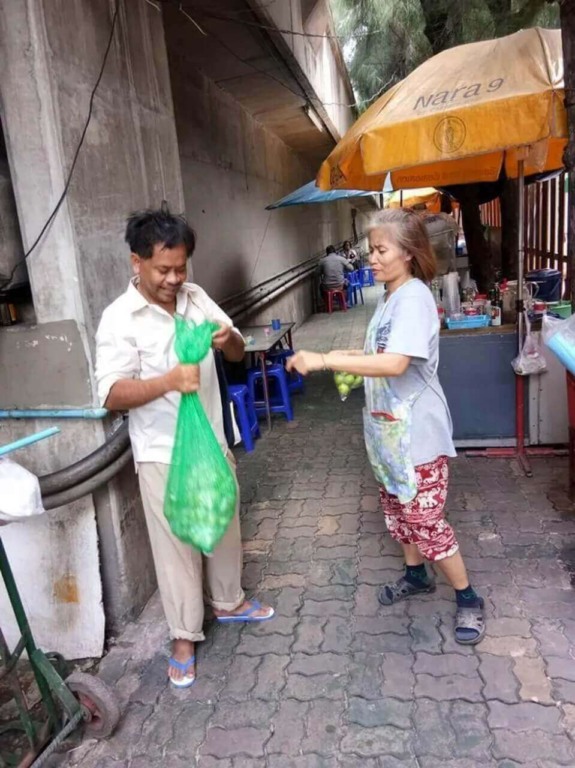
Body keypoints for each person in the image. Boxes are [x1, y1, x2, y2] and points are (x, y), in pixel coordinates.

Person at [287, 208, 485, 645]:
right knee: (399, 513)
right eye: (370, 249)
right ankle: (416, 576)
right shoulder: (390, 298)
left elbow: (395, 363)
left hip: (415, 436)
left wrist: (324, 359)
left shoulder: (413, 298)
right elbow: (379, 354)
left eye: (380, 250)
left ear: (409, 253)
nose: (371, 258)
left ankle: (468, 596)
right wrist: (349, 359)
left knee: (426, 520)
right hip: (387, 432)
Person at [95, 209, 274, 690]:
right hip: (162, 450)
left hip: (212, 439)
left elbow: (237, 352)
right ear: (137, 262)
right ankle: (183, 636)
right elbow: (111, 394)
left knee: (223, 521)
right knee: (176, 545)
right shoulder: (119, 319)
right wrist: (168, 381)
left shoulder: (196, 298)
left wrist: (230, 338)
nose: (175, 279)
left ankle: (230, 601)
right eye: (164, 270)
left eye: (181, 267)